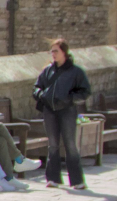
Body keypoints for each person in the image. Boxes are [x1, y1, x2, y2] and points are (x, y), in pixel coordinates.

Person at [34, 39, 91, 190]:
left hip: (67, 110)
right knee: (52, 144)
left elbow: (85, 91)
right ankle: (53, 178)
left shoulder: (75, 72)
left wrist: (69, 99)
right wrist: (41, 95)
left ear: (64, 52)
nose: (53, 54)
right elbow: (37, 87)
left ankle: (77, 180)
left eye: (56, 51)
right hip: (50, 111)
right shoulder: (47, 71)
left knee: (70, 144)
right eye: (51, 51)